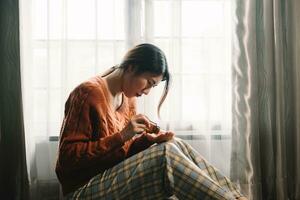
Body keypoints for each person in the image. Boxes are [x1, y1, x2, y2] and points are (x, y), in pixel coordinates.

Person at [55, 43, 247, 200]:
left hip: (109, 178)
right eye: (149, 82)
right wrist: (122, 136)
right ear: (131, 68)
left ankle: (235, 196)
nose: (147, 91)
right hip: (82, 190)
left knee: (171, 143)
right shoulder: (88, 93)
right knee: (165, 155)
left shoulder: (127, 96)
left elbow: (121, 153)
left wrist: (148, 141)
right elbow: (66, 160)